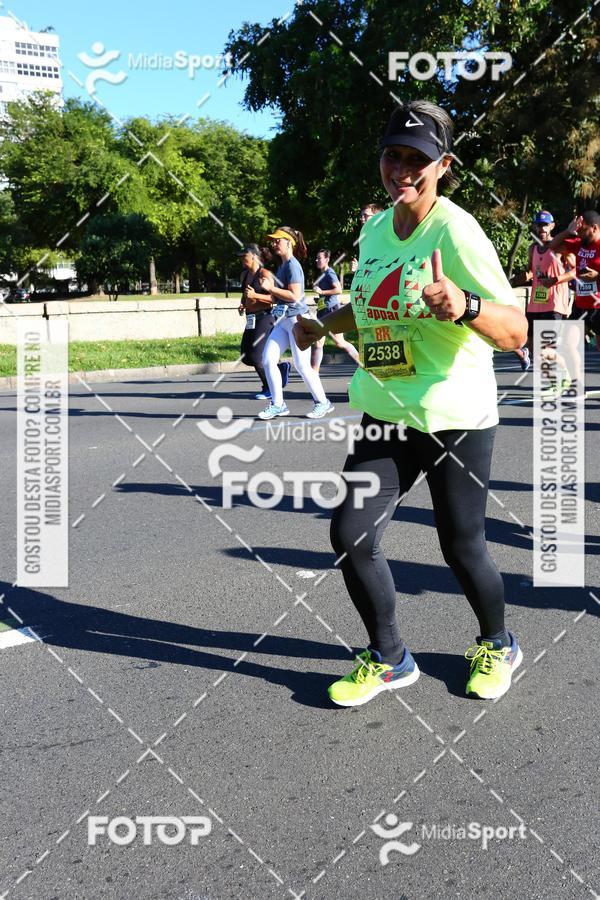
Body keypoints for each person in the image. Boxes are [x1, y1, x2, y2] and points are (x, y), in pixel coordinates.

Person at [294, 100, 527, 704]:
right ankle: (391, 657)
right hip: (388, 410)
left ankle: (498, 642)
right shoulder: (375, 229)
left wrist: (466, 307)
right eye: (392, 154)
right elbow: (370, 304)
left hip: (456, 416)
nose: (401, 168)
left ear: (442, 165)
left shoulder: (456, 231)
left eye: (416, 159)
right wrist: (322, 323)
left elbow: (517, 330)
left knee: (461, 544)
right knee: (351, 535)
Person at [258, 225, 334, 420]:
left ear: (289, 243)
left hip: (297, 321)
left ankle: (323, 402)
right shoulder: (283, 266)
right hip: (283, 320)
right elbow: (280, 298)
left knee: (302, 365)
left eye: (278, 240)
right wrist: (265, 294)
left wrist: (271, 289)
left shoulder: (292, 265)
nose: (274, 244)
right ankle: (278, 404)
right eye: (273, 241)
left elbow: (295, 295)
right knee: (268, 360)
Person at [510, 210, 575, 368]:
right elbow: (530, 272)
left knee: (546, 347)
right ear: (534, 227)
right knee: (531, 344)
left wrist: (556, 279)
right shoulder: (532, 248)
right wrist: (509, 283)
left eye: (545, 225)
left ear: (552, 226)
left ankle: (562, 377)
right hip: (536, 303)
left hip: (554, 304)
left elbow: (576, 270)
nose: (542, 229)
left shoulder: (560, 247)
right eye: (539, 225)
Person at [237, 244, 291, 399]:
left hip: (265, 317)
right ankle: (280, 369)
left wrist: (256, 297)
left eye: (244, 256)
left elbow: (274, 298)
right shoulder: (245, 275)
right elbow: (246, 294)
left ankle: (269, 388)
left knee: (256, 355)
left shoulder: (265, 274)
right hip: (251, 318)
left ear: (254, 256)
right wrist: (243, 304)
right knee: (246, 355)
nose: (241, 259)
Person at [547, 211, 600, 349]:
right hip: (580, 307)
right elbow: (552, 246)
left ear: (594, 228)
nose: (579, 233)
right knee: (567, 345)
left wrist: (597, 276)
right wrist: (568, 231)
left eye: (582, 230)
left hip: (598, 307)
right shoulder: (579, 243)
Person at [311, 249, 360, 371]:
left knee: (340, 342)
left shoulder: (330, 273)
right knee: (318, 342)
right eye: (316, 258)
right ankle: (314, 372)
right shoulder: (322, 274)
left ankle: (360, 362)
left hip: (332, 311)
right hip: (322, 311)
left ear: (327, 260)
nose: (316, 260)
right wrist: (320, 298)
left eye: (319, 258)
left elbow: (338, 290)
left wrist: (322, 292)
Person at [351, 204, 385, 272]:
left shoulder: (386, 237)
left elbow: (386, 266)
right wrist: (357, 268)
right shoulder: (365, 239)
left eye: (365, 215)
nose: (362, 219)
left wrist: (360, 268)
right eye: (361, 216)